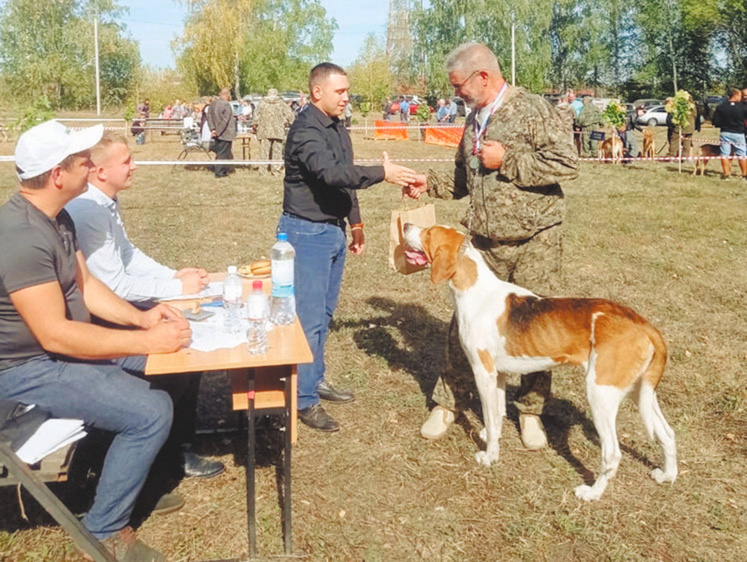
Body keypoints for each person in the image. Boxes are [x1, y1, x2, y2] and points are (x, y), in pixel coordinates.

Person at [0, 120, 192, 560]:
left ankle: (126, 484)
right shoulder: (21, 237)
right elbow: (55, 334)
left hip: (53, 354)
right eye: (82, 160)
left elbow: (86, 286)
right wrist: (148, 342)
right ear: (57, 175)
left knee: (169, 371)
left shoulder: (56, 215)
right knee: (150, 409)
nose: (91, 163)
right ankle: (102, 530)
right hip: (24, 370)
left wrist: (142, 322)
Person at [405, 42, 578, 449]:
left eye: (459, 86)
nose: (456, 95)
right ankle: (447, 403)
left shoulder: (533, 109)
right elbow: (463, 180)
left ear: (482, 76)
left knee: (537, 327)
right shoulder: (473, 120)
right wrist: (426, 184)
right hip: (482, 245)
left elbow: (567, 163)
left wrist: (511, 159)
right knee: (463, 326)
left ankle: (530, 411)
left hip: (535, 240)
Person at [65, 131, 224, 481]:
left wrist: (174, 277)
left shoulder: (104, 201)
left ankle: (173, 444)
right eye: (127, 162)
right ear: (101, 171)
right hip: (99, 322)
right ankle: (168, 453)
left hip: (113, 309)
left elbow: (127, 255)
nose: (135, 166)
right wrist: (173, 288)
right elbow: (114, 285)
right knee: (178, 356)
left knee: (185, 344)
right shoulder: (88, 211)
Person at [280, 62, 417, 431]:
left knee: (323, 314)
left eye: (347, 91)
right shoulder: (305, 130)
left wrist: (355, 223)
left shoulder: (337, 127)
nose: (346, 98)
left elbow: (345, 179)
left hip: (333, 232)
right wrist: (382, 173)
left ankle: (314, 378)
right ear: (317, 93)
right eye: (339, 92)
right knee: (307, 320)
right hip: (306, 234)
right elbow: (331, 173)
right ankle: (302, 399)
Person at [253, 88, 296, 176]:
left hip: (264, 130)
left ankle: (263, 170)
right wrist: (292, 123)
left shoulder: (262, 103)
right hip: (278, 130)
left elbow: (256, 115)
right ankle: (275, 170)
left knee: (264, 151)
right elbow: (289, 114)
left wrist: (255, 124)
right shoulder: (281, 103)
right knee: (277, 151)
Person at [711, 88, 746, 180]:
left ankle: (726, 174)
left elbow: (715, 121)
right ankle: (744, 174)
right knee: (742, 154)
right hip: (739, 133)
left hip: (725, 132)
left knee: (725, 154)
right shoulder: (743, 107)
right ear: (736, 95)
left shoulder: (721, 106)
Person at [206, 87, 236, 178]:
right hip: (225, 134)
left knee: (221, 152)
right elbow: (225, 121)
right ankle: (219, 172)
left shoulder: (213, 104)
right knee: (223, 153)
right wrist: (218, 131)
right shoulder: (226, 105)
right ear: (226, 95)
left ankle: (223, 170)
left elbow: (209, 117)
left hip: (216, 133)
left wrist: (213, 129)